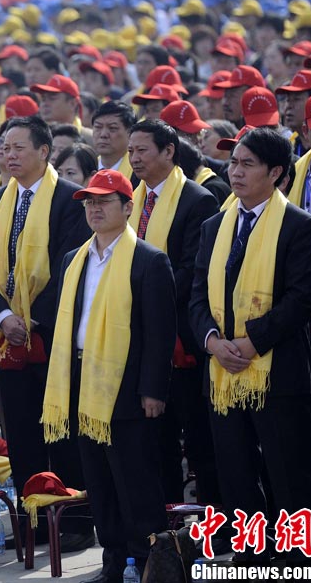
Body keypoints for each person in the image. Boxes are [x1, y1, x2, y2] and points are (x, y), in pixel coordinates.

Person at [190, 127, 311, 574]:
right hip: (223, 373)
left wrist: (252, 341)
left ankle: (301, 563)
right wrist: (213, 342)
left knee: (291, 475)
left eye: (248, 164)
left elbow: (303, 298)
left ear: (277, 174)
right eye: (233, 163)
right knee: (236, 473)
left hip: (279, 372)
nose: (236, 171)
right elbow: (196, 297)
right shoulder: (215, 226)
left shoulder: (300, 226)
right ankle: (252, 557)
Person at [43, 169, 176, 583]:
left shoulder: (149, 260)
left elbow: (160, 333)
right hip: (84, 381)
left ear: (128, 207)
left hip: (128, 386)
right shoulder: (74, 259)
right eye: (89, 202)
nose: (94, 209)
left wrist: (153, 390)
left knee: (135, 480)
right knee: (98, 481)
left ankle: (148, 563)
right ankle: (114, 562)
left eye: (103, 201)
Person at [0, 115, 93, 548]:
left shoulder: (68, 199)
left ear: (44, 151)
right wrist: (4, 317)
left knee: (61, 431)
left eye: (18, 147)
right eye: (4, 148)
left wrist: (32, 320)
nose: (9, 155)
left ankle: (75, 523)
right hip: (9, 338)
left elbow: (69, 265)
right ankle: (34, 523)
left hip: (52, 334)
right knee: (22, 436)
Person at [125, 119, 221, 505]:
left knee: (200, 442)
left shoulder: (198, 200)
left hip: (183, 340)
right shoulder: (130, 197)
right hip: (140, 339)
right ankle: (164, 527)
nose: (134, 159)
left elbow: (193, 271)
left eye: (142, 150)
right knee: (155, 442)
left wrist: (145, 299)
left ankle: (215, 523)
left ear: (169, 151)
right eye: (130, 151)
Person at [91, 100, 136, 179]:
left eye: (112, 128)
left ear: (130, 133)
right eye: (98, 127)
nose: (103, 134)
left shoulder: (138, 172)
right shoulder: (87, 168)